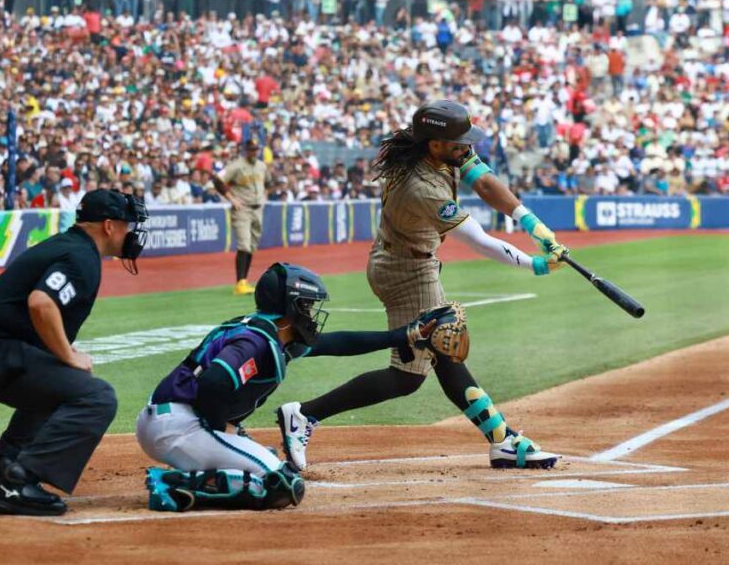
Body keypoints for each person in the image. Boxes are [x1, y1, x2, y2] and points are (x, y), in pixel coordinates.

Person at [276, 100, 567, 473]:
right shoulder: (421, 186)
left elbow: (485, 182)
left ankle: (502, 441)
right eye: (459, 141)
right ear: (435, 144)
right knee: (423, 363)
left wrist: (534, 226)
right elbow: (477, 239)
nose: (466, 147)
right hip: (407, 270)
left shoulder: (442, 152)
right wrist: (535, 264)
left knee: (437, 355)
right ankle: (304, 414)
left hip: (408, 260)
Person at [137, 262, 443, 512]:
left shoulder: (269, 333)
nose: (311, 314)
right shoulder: (256, 341)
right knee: (282, 484)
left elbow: (336, 343)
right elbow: (213, 384)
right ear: (289, 308)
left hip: (168, 420)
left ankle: (198, 468)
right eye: (306, 306)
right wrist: (222, 429)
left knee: (262, 459)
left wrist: (399, 336)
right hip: (179, 427)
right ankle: (173, 483)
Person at [0, 189, 149, 516]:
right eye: (128, 225)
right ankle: (20, 482)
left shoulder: (70, 246)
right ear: (109, 226)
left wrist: (63, 358)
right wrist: (67, 355)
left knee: (62, 383)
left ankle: (0, 469)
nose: (132, 233)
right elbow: (41, 302)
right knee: (96, 397)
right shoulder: (81, 257)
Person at [215, 138, 267, 296]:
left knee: (251, 246)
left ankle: (244, 281)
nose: (254, 152)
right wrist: (231, 198)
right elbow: (218, 180)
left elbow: (269, 183)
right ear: (245, 150)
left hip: (257, 209)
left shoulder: (261, 166)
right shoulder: (236, 165)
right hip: (242, 209)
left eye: (256, 149)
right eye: (251, 149)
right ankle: (240, 283)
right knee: (244, 245)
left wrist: (265, 197)